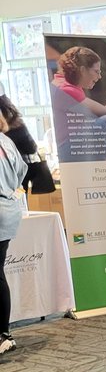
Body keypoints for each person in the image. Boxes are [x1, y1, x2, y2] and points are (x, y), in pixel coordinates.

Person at [0, 105, 27, 356]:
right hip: (8, 209)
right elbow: (21, 172)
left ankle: (3, 334)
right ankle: (4, 333)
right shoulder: (6, 141)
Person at [0, 95, 54, 194]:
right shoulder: (17, 124)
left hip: (7, 173)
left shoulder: (5, 132)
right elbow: (31, 148)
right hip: (20, 171)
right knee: (19, 201)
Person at [52, 46, 106, 117]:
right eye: (96, 71)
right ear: (82, 70)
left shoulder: (64, 84)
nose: (99, 76)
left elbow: (100, 115)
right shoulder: (67, 90)